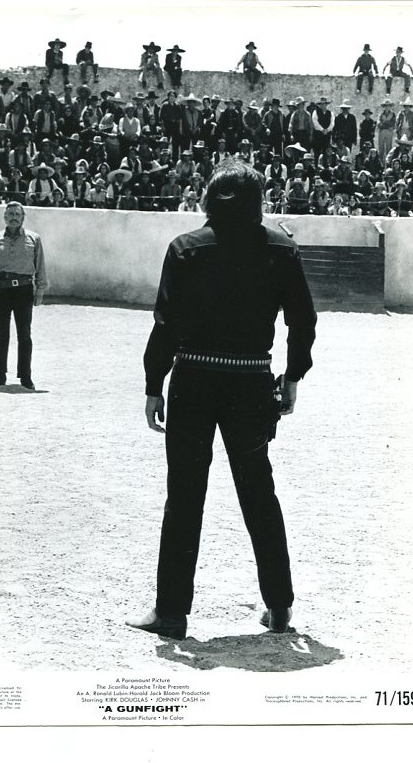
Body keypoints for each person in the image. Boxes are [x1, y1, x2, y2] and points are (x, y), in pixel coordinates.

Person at [125, 159, 317, 639]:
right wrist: (293, 377)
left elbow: (165, 324)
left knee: (184, 494)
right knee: (259, 493)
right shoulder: (282, 249)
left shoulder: (185, 249)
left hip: (193, 382)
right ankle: (279, 607)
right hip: (251, 383)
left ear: (208, 200)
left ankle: (171, 613)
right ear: (258, 201)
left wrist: (153, 383)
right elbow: (303, 320)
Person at [0, 201, 48, 390]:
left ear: (23, 217)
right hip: (1, 290)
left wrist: (40, 289)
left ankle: (26, 377)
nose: (14, 218)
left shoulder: (34, 239)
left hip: (24, 290)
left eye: (17, 214)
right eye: (10, 214)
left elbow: (40, 265)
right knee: (1, 334)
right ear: (4, 217)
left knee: (24, 335)